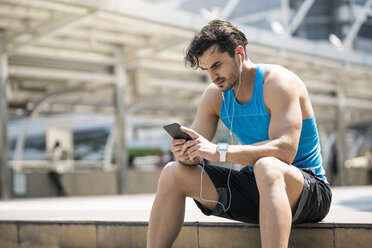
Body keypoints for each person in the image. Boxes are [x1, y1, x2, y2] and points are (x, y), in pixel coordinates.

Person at [147, 19, 332, 248]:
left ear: (239, 53)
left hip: (308, 191)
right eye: (207, 69)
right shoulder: (215, 95)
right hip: (258, 189)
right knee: (172, 172)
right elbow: (196, 151)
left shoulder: (278, 83)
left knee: (268, 166)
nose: (213, 76)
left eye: (217, 65)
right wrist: (186, 152)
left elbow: (285, 151)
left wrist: (219, 151)